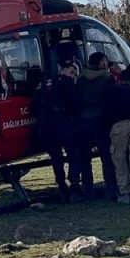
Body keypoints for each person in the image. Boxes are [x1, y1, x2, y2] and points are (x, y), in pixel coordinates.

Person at [34, 60, 89, 203]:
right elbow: (77, 105)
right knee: (73, 155)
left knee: (56, 158)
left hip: (46, 127)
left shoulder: (43, 84)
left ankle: (61, 185)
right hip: (64, 124)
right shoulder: (69, 84)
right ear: (70, 72)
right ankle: (75, 186)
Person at [103, 63, 130, 205]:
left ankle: (124, 192)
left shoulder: (110, 91)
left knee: (119, 160)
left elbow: (106, 111)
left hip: (118, 126)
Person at [76, 52, 115, 200]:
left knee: (85, 158)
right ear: (100, 63)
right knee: (106, 157)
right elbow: (111, 100)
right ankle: (111, 190)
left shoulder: (80, 79)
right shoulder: (107, 78)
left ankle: (88, 190)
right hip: (101, 120)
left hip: (83, 121)